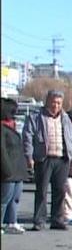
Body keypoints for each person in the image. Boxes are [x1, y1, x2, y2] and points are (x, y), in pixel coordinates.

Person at [22, 90, 72, 230]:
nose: (56, 105)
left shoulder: (65, 118)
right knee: (41, 190)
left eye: (59, 103)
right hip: (43, 158)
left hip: (62, 159)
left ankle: (57, 219)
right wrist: (29, 156)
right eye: (53, 102)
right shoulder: (36, 118)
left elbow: (71, 137)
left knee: (60, 190)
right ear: (47, 101)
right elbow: (27, 137)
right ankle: (39, 220)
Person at [1, 98, 30, 234]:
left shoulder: (12, 125)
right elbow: (2, 151)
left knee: (15, 198)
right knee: (4, 199)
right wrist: (6, 169)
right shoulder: (2, 128)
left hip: (18, 169)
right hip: (8, 170)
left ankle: (11, 221)